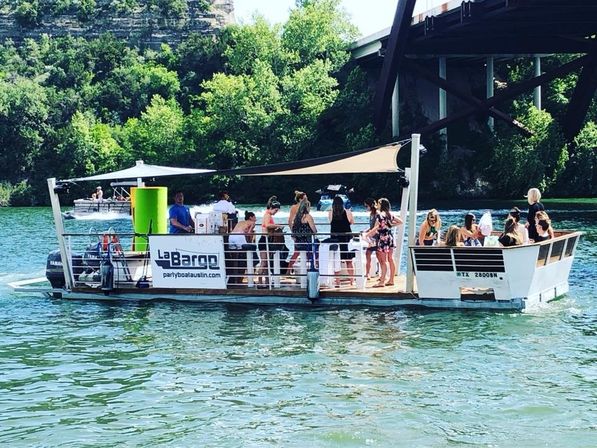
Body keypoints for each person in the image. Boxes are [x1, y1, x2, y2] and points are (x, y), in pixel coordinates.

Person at [366, 198, 403, 287]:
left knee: (383, 261)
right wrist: (389, 226)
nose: (377, 205)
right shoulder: (389, 214)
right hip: (389, 237)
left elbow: (376, 228)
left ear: (381, 204)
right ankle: (391, 280)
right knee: (390, 259)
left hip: (382, 239)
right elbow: (400, 222)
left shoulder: (380, 215)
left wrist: (367, 234)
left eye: (378, 203)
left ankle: (382, 281)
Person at [329, 195, 355, 286]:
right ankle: (352, 280)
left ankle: (338, 282)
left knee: (337, 261)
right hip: (346, 239)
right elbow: (352, 222)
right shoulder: (348, 212)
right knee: (349, 261)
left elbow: (330, 222)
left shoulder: (331, 213)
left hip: (335, 239)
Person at [257, 196, 284, 283]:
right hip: (264, 240)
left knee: (267, 263)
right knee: (264, 262)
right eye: (276, 210)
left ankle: (267, 281)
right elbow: (268, 225)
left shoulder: (268, 215)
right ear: (271, 208)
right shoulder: (267, 215)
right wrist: (278, 226)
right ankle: (260, 282)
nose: (276, 212)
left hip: (267, 240)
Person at [287, 191, 308, 271]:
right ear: (300, 199)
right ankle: (289, 269)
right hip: (300, 231)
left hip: (302, 231)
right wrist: (293, 232)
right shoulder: (297, 207)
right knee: (298, 251)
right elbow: (290, 220)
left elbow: (290, 221)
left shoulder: (303, 207)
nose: (306, 200)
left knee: (301, 251)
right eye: (305, 198)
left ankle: (290, 270)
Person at [363, 198, 378, 279]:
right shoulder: (371, 214)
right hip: (371, 237)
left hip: (376, 237)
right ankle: (367, 273)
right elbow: (371, 227)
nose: (366, 208)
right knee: (367, 254)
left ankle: (380, 274)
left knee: (379, 256)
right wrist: (366, 231)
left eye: (366, 206)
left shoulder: (377, 214)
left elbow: (377, 227)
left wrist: (369, 233)